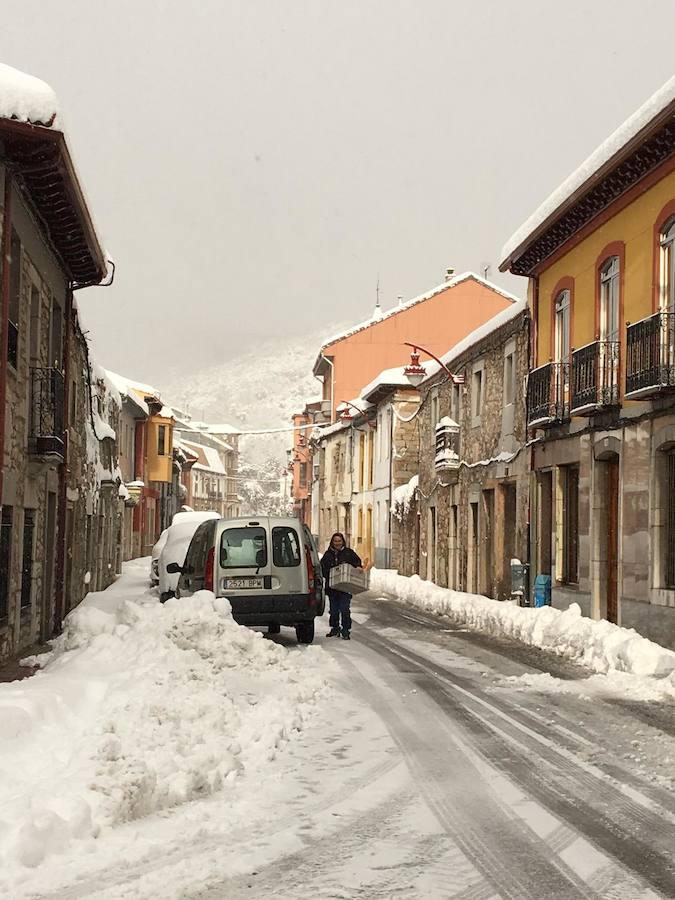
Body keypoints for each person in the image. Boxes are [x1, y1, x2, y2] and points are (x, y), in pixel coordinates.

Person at [320, 532, 362, 640]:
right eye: (335, 541)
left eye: (339, 541)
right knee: (334, 610)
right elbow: (322, 568)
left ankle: (345, 629)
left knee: (344, 609)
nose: (337, 543)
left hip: (345, 587)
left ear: (342, 541)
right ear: (332, 542)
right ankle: (335, 628)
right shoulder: (328, 554)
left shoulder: (348, 553)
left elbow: (357, 563)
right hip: (332, 588)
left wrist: (358, 567)